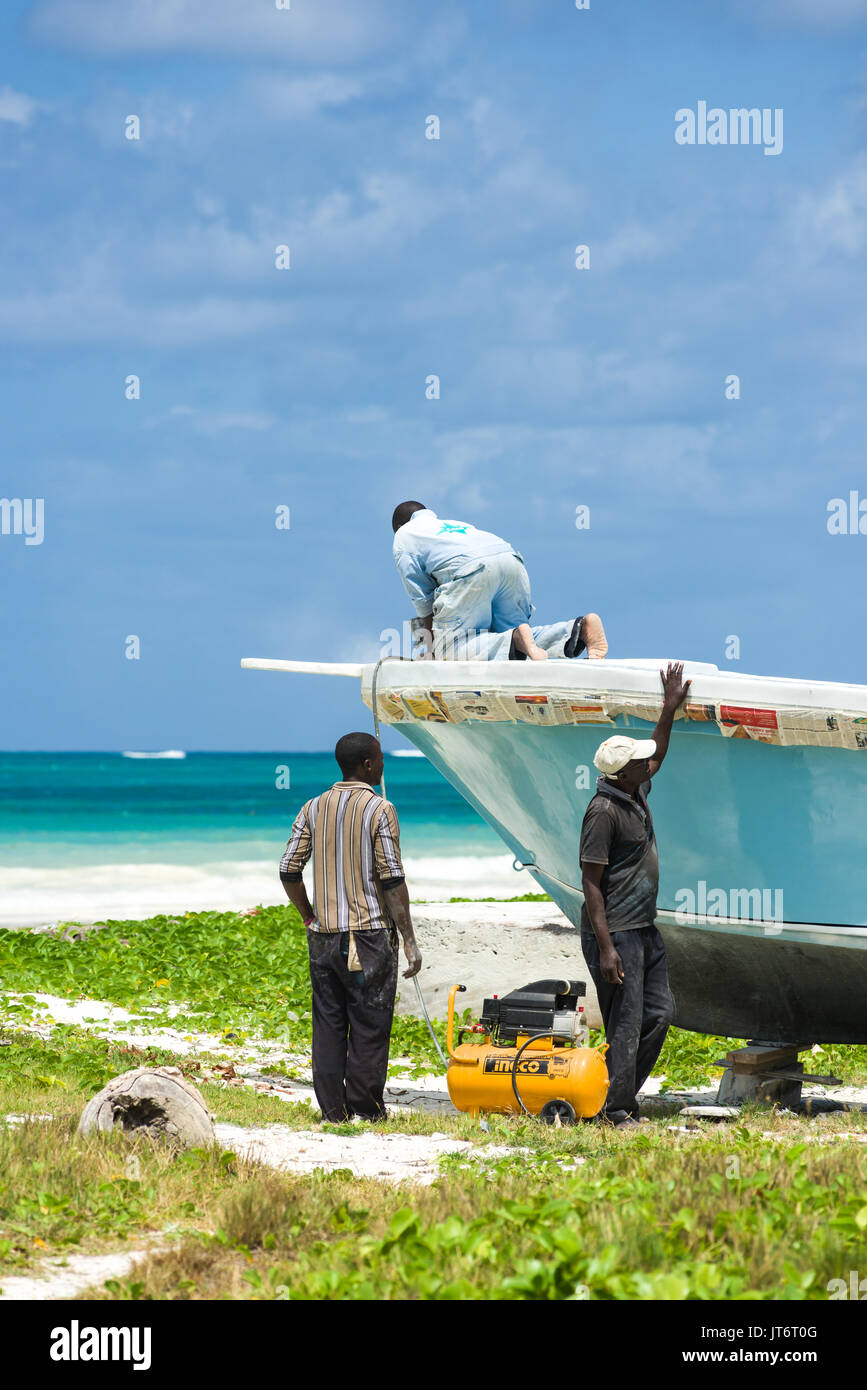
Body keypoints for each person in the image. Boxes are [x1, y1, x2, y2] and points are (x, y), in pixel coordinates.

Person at [279, 732, 422, 1123]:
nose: (383, 766)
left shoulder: (312, 807)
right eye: (380, 760)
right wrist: (409, 940)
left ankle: (333, 1111)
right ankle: (366, 1108)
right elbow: (392, 878)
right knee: (370, 1021)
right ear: (369, 765)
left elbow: (288, 868)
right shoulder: (380, 810)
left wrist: (308, 915)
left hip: (323, 938)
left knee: (328, 1022)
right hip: (368, 934)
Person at [579, 662, 692, 1129]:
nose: (649, 765)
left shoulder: (633, 789)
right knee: (625, 1022)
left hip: (643, 928)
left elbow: (658, 753)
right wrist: (606, 948)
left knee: (658, 1014)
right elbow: (590, 883)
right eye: (640, 763)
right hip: (617, 935)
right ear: (623, 773)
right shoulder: (603, 812)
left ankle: (615, 1094)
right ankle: (615, 1108)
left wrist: (668, 708)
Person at [391, 501, 608, 661]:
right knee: (521, 647)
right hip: (510, 562)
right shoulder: (452, 525)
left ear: (399, 527)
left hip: (472, 571)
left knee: (452, 651)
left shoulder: (404, 536)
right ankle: (578, 629)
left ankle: (514, 639)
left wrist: (432, 651)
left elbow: (424, 601)